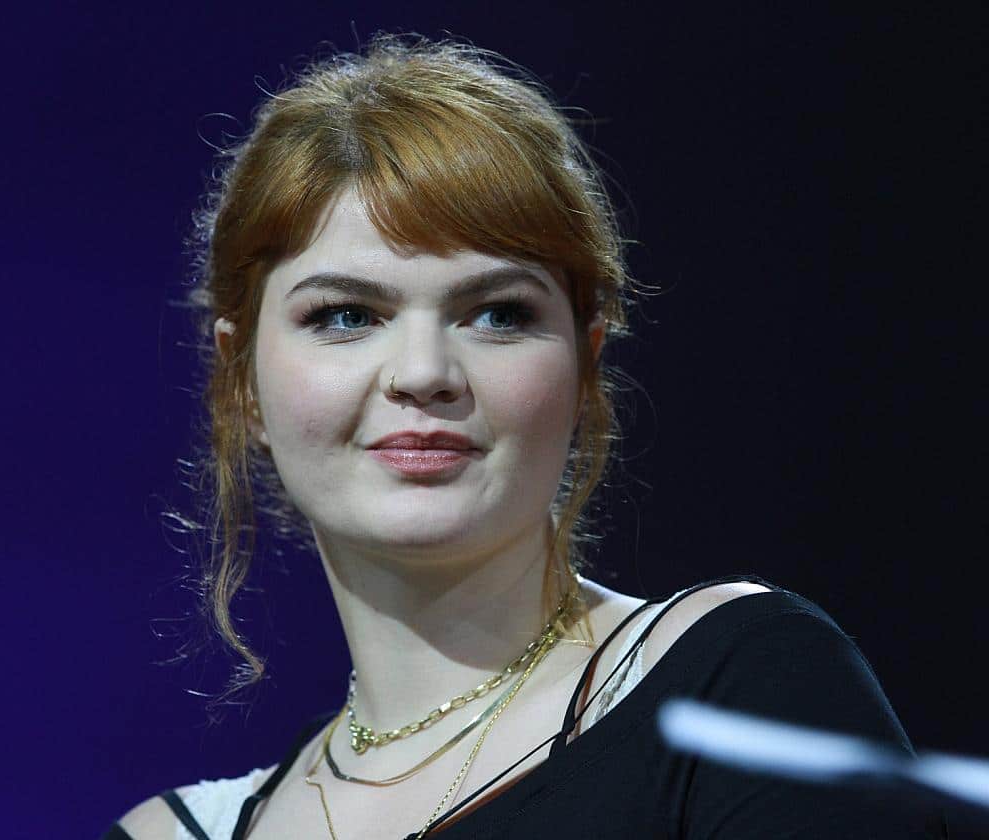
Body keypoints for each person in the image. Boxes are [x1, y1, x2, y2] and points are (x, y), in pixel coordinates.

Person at [102, 35, 945, 839]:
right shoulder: (173, 833)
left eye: (498, 314)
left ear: (586, 362)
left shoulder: (742, 687)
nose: (423, 372)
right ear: (242, 380)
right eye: (346, 315)